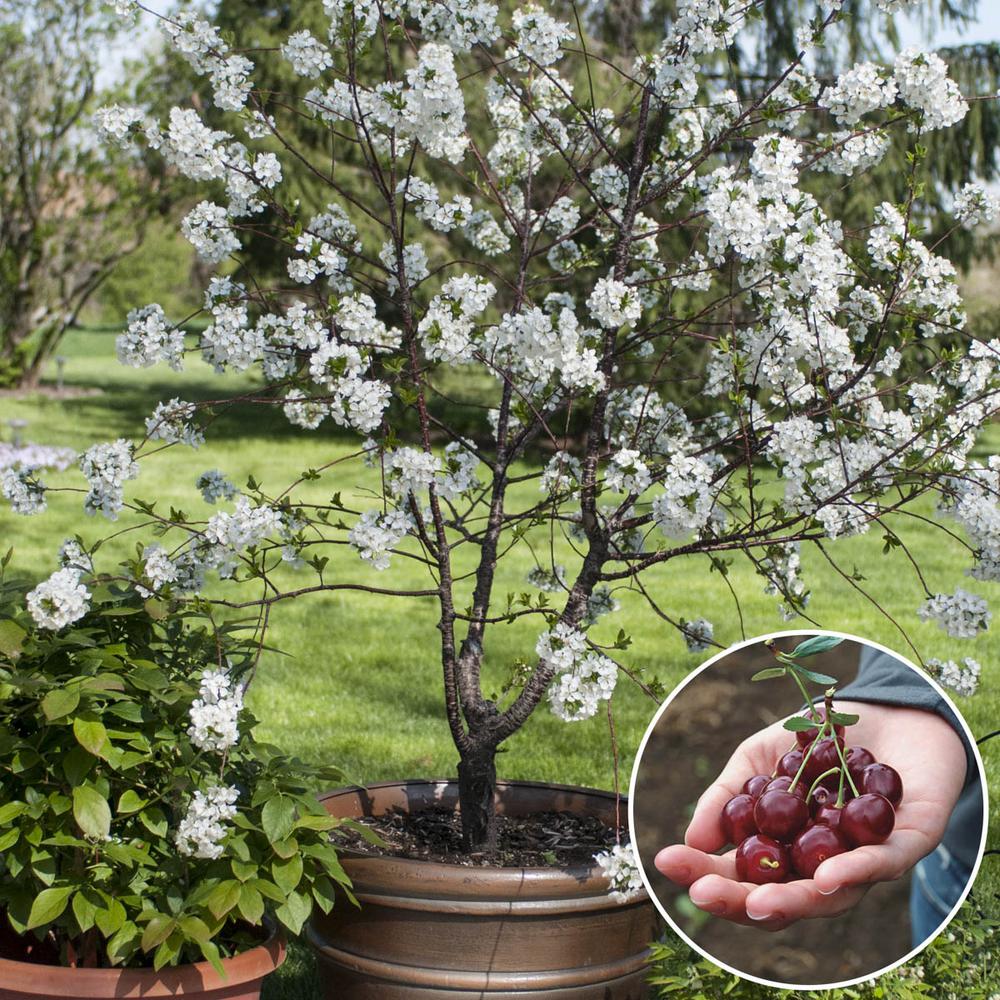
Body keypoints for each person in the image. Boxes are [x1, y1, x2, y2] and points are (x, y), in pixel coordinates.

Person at [654, 644, 983, 945]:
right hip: (954, 867)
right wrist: (901, 692)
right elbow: (916, 644)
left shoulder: (845, 791)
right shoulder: (803, 787)